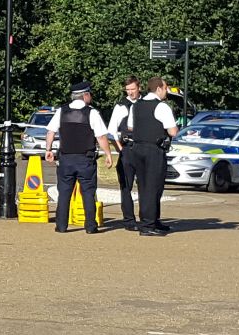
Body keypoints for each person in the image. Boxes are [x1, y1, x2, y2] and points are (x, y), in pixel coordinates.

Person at [44, 81, 113, 234]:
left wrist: (48, 149)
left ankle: (61, 225)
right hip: (85, 159)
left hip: (66, 159)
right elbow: (101, 136)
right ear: (85, 95)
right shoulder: (92, 113)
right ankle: (90, 226)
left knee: (64, 193)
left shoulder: (62, 111)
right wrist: (108, 154)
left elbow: (50, 132)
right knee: (88, 192)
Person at [127, 77, 179, 236]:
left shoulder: (136, 106)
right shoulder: (162, 107)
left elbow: (130, 126)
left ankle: (153, 220)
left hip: (137, 148)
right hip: (153, 150)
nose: (166, 91)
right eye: (165, 88)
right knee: (154, 187)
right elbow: (173, 131)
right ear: (158, 89)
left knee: (144, 186)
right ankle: (148, 225)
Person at [107, 76, 142, 231]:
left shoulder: (146, 103)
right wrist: (119, 148)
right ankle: (129, 220)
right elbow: (111, 131)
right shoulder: (120, 106)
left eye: (133, 89)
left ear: (139, 88)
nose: (130, 93)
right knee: (125, 186)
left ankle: (147, 219)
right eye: (127, 90)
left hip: (143, 148)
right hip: (127, 148)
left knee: (145, 186)